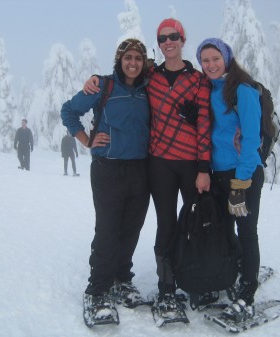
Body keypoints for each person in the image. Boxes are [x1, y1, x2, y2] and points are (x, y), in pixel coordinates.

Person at [84, 18, 212, 321]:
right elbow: (122, 74)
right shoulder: (150, 75)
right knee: (166, 224)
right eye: (163, 38)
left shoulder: (197, 80)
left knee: (198, 222)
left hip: (191, 163)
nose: (169, 42)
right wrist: (94, 78)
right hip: (158, 163)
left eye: (174, 37)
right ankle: (167, 290)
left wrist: (204, 166)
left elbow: (205, 122)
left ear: (182, 40)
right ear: (160, 43)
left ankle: (201, 279)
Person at [60, 38, 151, 322]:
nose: (133, 63)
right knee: (109, 230)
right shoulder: (103, 86)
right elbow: (68, 111)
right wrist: (86, 139)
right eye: (128, 58)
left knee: (131, 229)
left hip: (141, 168)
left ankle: (122, 278)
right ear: (119, 60)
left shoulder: (149, 87)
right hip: (108, 168)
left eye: (138, 58)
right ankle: (98, 290)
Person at [196, 38, 264, 322]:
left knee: (246, 230)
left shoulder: (243, 91)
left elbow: (250, 141)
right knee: (224, 230)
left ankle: (247, 293)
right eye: (205, 60)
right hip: (218, 174)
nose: (210, 65)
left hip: (242, 174)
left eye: (215, 58)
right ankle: (230, 274)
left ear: (226, 59)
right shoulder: (208, 90)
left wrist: (240, 183)